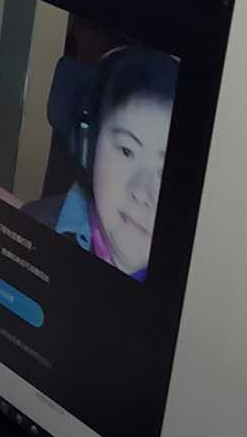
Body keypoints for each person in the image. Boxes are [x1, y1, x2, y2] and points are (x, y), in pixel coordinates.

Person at [26, 48, 176, 280]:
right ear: (89, 146)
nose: (141, 193)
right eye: (126, 151)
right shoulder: (35, 226)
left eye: (165, 173)